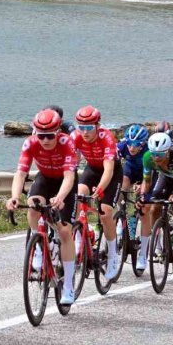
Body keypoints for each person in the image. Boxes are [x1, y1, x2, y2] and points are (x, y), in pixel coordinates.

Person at [6, 109, 78, 305]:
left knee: (64, 231)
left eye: (49, 136)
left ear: (58, 132)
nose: (45, 140)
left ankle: (69, 287)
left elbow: (70, 177)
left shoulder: (67, 142)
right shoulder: (30, 143)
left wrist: (61, 197)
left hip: (65, 181)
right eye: (40, 135)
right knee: (32, 206)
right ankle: (38, 245)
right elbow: (20, 174)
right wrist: (13, 196)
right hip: (45, 178)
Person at [71, 105, 123, 278]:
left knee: (105, 213)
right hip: (92, 169)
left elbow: (108, 170)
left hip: (111, 173)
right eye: (81, 127)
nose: (85, 132)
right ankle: (79, 238)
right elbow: (71, 163)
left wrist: (100, 189)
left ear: (98, 126)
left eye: (89, 128)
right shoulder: (76, 137)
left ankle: (113, 254)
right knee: (77, 195)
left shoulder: (107, 138)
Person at [138, 132, 173, 267]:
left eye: (161, 154)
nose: (156, 158)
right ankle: (157, 245)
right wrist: (141, 196)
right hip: (166, 179)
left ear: (168, 151)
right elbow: (147, 181)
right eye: (154, 154)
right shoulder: (148, 158)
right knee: (154, 209)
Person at [118, 124, 149, 193]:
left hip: (145, 171)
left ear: (143, 143)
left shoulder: (148, 150)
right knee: (123, 181)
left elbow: (150, 175)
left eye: (136, 144)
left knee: (143, 194)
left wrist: (142, 185)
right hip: (130, 168)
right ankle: (120, 203)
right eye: (129, 142)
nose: (132, 148)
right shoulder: (122, 146)